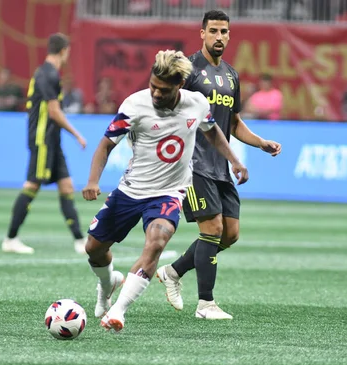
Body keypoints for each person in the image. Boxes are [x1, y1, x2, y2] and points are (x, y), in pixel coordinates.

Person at [82, 50, 248, 332]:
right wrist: (92, 181)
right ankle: (107, 282)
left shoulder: (196, 104)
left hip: (168, 194)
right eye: (153, 87)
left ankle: (118, 312)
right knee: (94, 250)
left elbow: (212, 130)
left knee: (156, 243)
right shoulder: (134, 105)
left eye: (163, 89)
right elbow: (106, 143)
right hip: (130, 191)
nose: (156, 94)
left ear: (179, 86)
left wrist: (234, 160)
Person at [156, 10, 282, 320]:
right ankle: (206, 304)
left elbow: (234, 122)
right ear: (202, 33)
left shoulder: (231, 75)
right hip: (193, 163)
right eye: (213, 31)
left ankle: (173, 271)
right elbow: (164, 103)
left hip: (220, 165)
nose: (219, 37)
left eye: (224, 31)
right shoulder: (188, 70)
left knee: (230, 234)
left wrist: (260, 142)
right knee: (212, 228)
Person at [2, 33, 88, 255]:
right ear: (63, 51)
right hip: (42, 139)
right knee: (32, 185)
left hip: (52, 140)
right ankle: (10, 238)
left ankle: (80, 240)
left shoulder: (44, 72)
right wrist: (77, 134)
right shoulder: (48, 74)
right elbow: (53, 111)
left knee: (67, 186)